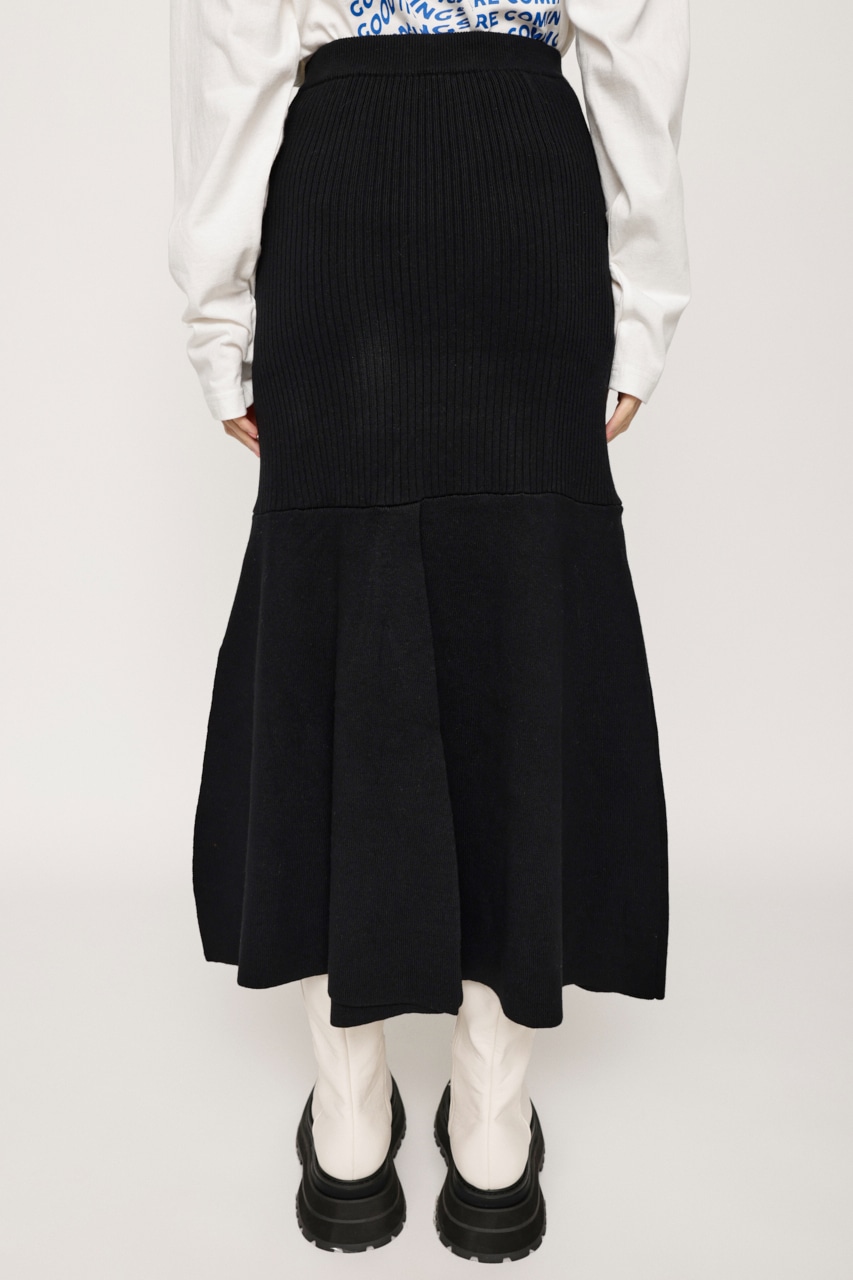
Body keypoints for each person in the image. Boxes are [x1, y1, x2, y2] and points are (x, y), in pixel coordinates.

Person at [167, 0, 690, 1262]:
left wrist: (217, 317)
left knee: (326, 624)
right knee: (523, 626)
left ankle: (349, 1118)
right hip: (519, 177)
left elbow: (237, 50)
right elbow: (630, 40)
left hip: (344, 178)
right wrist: (647, 298)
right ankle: (491, 1126)